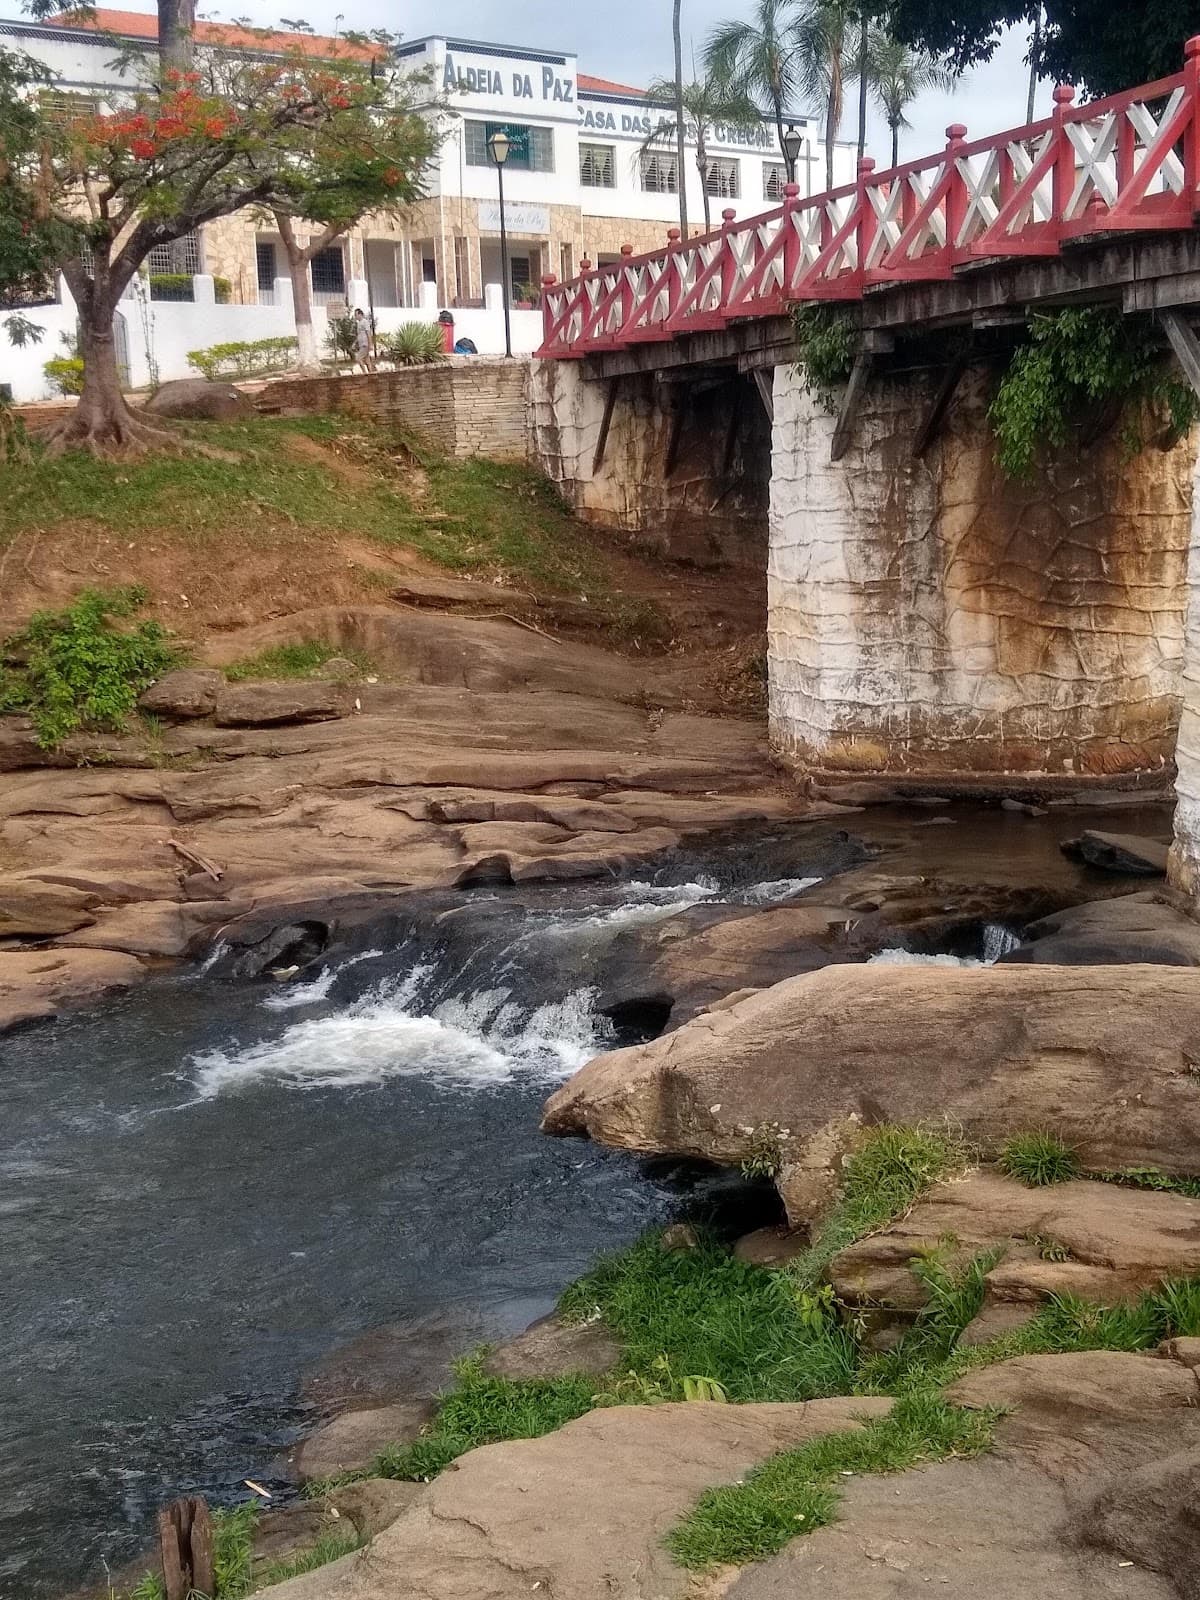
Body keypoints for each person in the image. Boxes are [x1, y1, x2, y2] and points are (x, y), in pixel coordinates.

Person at [353, 308, 376, 373]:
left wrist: (370, 344)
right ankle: (371, 374)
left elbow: (368, 333)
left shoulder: (365, 322)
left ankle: (364, 373)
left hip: (365, 344)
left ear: (360, 314)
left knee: (358, 358)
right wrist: (354, 343)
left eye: (356, 315)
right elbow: (359, 335)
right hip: (361, 344)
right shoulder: (359, 323)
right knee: (367, 360)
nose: (355, 316)